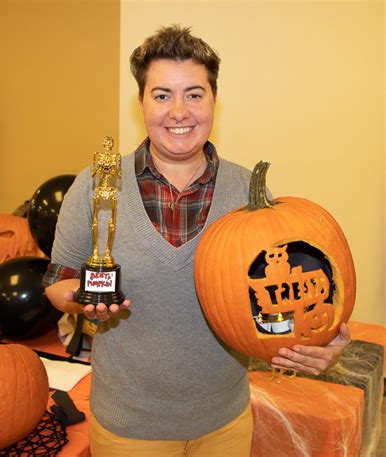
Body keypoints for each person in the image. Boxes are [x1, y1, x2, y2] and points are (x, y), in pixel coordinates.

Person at [44, 25, 351, 457]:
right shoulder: (96, 184)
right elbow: (58, 279)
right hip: (129, 428)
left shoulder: (251, 192)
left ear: (212, 101)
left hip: (224, 423)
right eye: (162, 95)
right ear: (141, 103)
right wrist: (82, 299)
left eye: (194, 93)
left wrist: (318, 342)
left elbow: (276, 300)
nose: (179, 111)